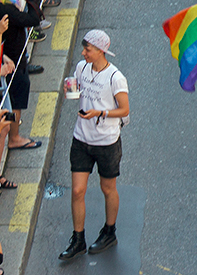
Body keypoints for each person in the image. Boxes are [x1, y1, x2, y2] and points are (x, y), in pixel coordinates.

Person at [60, 29, 129, 261]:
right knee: (78, 190)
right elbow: (79, 90)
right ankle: (78, 238)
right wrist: (71, 91)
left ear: (101, 50)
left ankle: (110, 231)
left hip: (106, 142)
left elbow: (124, 109)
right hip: (81, 138)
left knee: (107, 188)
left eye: (88, 49)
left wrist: (99, 112)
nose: (83, 53)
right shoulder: (82, 67)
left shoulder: (115, 77)